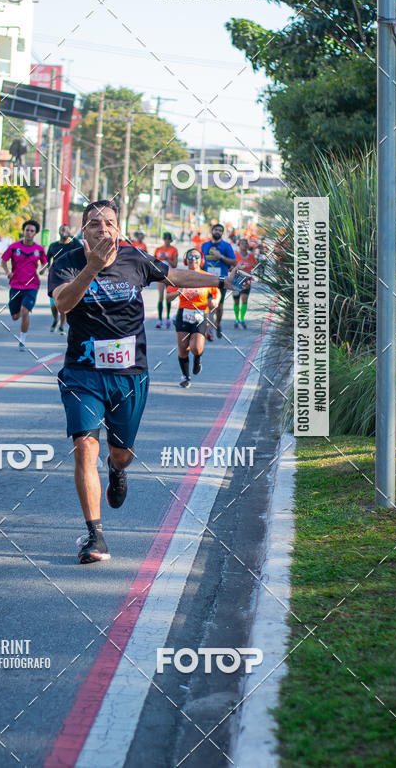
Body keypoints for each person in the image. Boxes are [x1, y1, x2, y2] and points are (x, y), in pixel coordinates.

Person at [48, 200, 236, 564]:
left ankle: (117, 470)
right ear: (82, 229)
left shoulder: (135, 258)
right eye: (94, 224)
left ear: (119, 227)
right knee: (85, 447)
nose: (102, 229)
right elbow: (63, 305)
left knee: (121, 453)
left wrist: (223, 280)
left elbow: (174, 276)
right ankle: (95, 536)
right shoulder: (67, 261)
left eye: (109, 223)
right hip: (83, 374)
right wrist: (90, 269)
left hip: (130, 375)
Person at [166, 248, 214, 387]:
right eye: (190, 256)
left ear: (201, 260)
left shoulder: (207, 276)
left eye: (196, 256)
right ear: (186, 260)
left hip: (200, 314)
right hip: (184, 313)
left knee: (196, 348)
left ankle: (197, 359)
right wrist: (179, 291)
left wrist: (214, 303)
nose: (193, 259)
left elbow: (215, 293)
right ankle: (186, 377)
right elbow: (168, 297)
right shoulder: (179, 276)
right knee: (182, 348)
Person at [2, 219, 47, 351]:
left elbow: (45, 263)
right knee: (15, 316)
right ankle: (22, 310)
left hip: (32, 285)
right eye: (27, 230)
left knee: (24, 311)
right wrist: (7, 272)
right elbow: (3, 261)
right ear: (23, 231)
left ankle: (22, 340)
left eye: (32, 231)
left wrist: (43, 269)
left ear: (35, 233)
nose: (29, 233)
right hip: (16, 284)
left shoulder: (39, 249)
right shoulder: (14, 247)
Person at [200, 223, 236, 339]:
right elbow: (201, 261)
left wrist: (221, 257)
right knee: (210, 304)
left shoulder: (226, 246)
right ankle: (210, 330)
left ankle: (218, 324)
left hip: (222, 279)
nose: (218, 232)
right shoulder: (205, 245)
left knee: (219, 307)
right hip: (208, 279)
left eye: (220, 231)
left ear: (222, 233)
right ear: (212, 231)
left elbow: (233, 262)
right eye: (216, 230)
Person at [43, 224, 80, 334]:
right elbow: (47, 259)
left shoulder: (73, 244)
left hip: (68, 277)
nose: (64, 231)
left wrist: (72, 236)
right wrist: (45, 268)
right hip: (54, 277)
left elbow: (82, 249)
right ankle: (55, 319)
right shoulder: (53, 246)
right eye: (62, 230)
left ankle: (62, 325)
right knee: (53, 305)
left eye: (66, 230)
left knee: (63, 303)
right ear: (59, 232)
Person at [154, 232, 179, 328]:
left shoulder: (174, 250)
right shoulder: (158, 249)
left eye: (169, 239)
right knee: (160, 297)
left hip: (170, 275)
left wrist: (167, 258)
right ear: (163, 239)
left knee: (168, 296)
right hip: (160, 275)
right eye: (165, 239)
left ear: (171, 240)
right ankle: (159, 320)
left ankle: (168, 318)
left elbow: (175, 265)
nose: (167, 241)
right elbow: (153, 262)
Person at [233, 237, 256, 329]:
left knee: (245, 299)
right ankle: (236, 319)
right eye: (242, 243)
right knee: (236, 300)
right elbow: (231, 267)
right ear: (239, 245)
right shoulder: (235, 255)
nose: (244, 245)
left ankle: (242, 319)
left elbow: (254, 266)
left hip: (246, 281)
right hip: (236, 280)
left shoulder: (251, 256)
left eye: (246, 243)